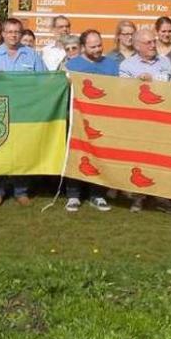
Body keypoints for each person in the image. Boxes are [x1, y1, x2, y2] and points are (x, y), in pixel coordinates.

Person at [0, 18, 46, 206]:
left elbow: (44, 82)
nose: (13, 35)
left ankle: (21, 191)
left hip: (23, 112)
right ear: (3, 34)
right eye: (9, 31)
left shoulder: (32, 56)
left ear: (21, 34)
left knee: (21, 151)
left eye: (17, 32)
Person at [119, 28, 171, 213]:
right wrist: (137, 82)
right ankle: (138, 198)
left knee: (161, 158)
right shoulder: (126, 66)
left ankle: (162, 197)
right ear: (137, 46)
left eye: (154, 41)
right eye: (148, 43)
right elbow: (124, 92)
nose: (153, 45)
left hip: (161, 118)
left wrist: (155, 82)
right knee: (139, 159)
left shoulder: (165, 62)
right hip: (138, 121)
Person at [63, 30, 116, 212]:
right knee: (76, 155)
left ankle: (97, 194)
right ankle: (73, 195)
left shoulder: (111, 65)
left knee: (99, 155)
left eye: (99, 45)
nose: (98, 49)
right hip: (78, 118)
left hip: (102, 120)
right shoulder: (72, 65)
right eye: (93, 47)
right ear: (83, 47)